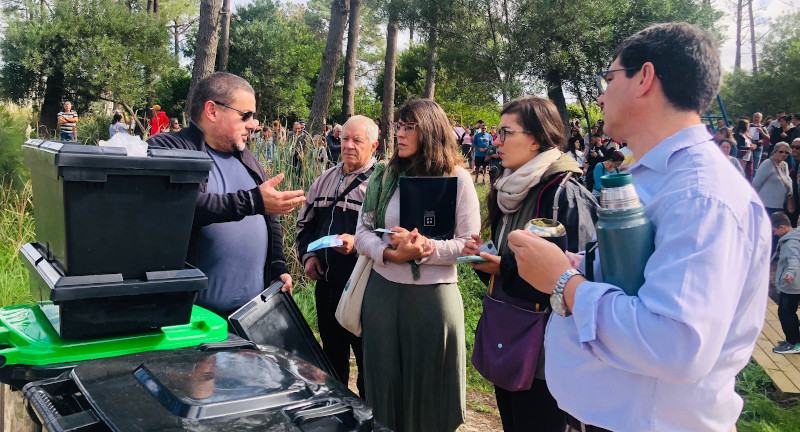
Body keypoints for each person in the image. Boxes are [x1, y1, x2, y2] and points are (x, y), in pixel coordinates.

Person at [505, 23, 770, 432]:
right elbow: (638, 281)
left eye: (608, 79)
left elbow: (676, 343)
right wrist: (577, 265)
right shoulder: (655, 177)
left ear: (644, 78)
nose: (600, 94)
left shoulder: (701, 196)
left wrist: (563, 282)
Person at [461, 97, 598, 432]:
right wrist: (487, 263)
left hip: (549, 360)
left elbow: (581, 286)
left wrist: (504, 267)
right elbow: (510, 276)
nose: (496, 140)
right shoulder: (510, 189)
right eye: (497, 131)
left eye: (506, 132)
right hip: (510, 338)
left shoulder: (565, 194)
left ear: (536, 139)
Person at [354, 99, 480, 432]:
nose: (401, 133)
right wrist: (388, 253)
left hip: (433, 300)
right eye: (398, 126)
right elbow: (362, 233)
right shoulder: (384, 176)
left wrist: (426, 248)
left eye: (410, 127)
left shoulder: (458, 178)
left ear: (432, 130)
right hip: (382, 296)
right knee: (383, 385)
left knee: (430, 390)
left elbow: (469, 246)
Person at [147, 72, 306, 316]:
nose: (253, 124)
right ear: (212, 111)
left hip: (250, 315)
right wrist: (254, 201)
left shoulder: (246, 157)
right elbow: (184, 205)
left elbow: (270, 219)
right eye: (246, 116)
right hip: (195, 317)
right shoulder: (168, 147)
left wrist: (277, 266)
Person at [295, 115, 378, 398]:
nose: (349, 146)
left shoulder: (383, 185)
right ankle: (337, 418)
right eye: (345, 139)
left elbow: (392, 235)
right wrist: (308, 257)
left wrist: (359, 243)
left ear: (374, 145)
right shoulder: (324, 180)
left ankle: (370, 421)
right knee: (332, 365)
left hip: (366, 291)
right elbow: (304, 224)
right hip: (328, 287)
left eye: (358, 140)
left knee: (370, 367)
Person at [772, 211, 800, 354]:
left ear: (782, 227)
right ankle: (794, 339)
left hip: (792, 286)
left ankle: (793, 343)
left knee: (785, 313)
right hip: (795, 285)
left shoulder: (790, 243)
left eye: (775, 230)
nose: (775, 234)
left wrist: (790, 273)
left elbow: (794, 259)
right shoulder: (796, 235)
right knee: (789, 312)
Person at [753, 141, 792, 216]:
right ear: (775, 152)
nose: (783, 154)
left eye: (786, 152)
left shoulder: (785, 165)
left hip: (780, 206)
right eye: (781, 152)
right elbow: (756, 184)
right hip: (767, 206)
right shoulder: (767, 163)